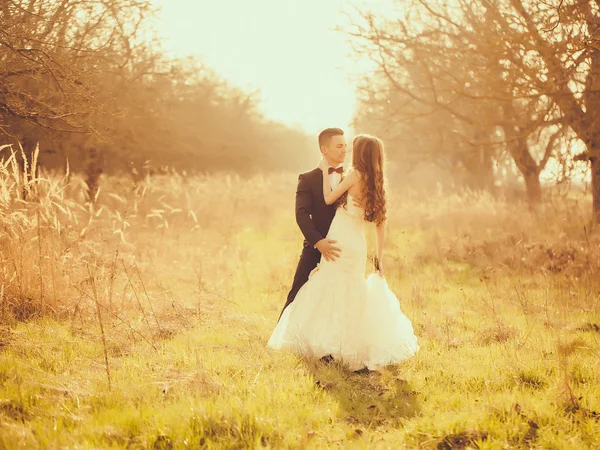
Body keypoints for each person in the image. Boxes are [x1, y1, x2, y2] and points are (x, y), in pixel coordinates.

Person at [268, 134, 419, 371]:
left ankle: (323, 342)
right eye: (341, 146)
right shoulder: (377, 181)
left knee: (329, 286)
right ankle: (348, 343)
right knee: (351, 287)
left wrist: (330, 180)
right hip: (358, 244)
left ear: (359, 153)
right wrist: (379, 259)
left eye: (350, 147)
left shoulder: (353, 175)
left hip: (340, 238)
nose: (346, 150)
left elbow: (329, 199)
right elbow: (381, 224)